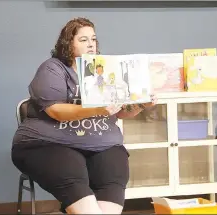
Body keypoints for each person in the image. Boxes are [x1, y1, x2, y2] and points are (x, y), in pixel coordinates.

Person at [11, 17, 157, 214]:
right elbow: (56, 111)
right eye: (83, 39)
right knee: (73, 173)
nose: (91, 44)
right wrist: (97, 110)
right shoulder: (53, 68)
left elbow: (121, 112)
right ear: (67, 43)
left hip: (103, 144)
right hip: (52, 143)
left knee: (113, 176)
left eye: (94, 39)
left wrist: (141, 104)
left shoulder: (104, 70)